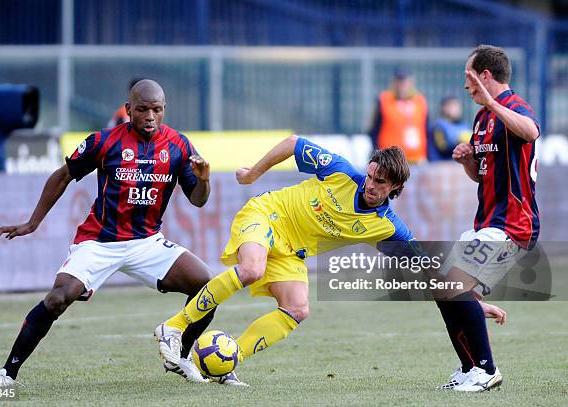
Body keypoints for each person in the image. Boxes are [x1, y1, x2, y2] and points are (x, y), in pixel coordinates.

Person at [155, 135, 506, 386]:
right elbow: (293, 143)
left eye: (379, 181)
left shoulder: (387, 227)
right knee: (250, 269)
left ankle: (230, 361)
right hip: (266, 214)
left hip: (291, 251)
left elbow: (425, 270)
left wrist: (472, 302)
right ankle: (174, 326)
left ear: (395, 188)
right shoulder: (340, 171)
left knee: (297, 309)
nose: (369, 183)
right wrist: (252, 175)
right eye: (369, 175)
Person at [0, 80, 217, 386]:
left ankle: (180, 356)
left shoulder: (179, 145)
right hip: (100, 241)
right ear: (129, 109)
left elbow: (198, 200)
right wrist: (33, 222)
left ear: (164, 110)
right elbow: (63, 175)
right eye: (143, 109)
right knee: (56, 300)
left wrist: (204, 180)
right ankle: (7, 374)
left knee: (208, 287)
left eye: (156, 110)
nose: (150, 116)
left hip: (147, 242)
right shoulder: (104, 142)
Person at [434, 44, 540, 392]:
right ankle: (469, 369)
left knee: (454, 284)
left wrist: (492, 102)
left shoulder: (512, 107)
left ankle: (486, 369)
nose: (465, 86)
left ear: (485, 76)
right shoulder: (482, 118)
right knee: (443, 286)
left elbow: (531, 132)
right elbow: (484, 175)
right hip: (488, 221)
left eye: (468, 76)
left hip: (513, 223)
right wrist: (468, 161)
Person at [369, 67, 429, 163]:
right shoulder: (384, 100)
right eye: (399, 82)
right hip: (391, 160)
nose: (402, 86)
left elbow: (426, 129)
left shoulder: (420, 101)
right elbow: (373, 129)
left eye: (405, 82)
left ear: (411, 83)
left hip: (417, 159)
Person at [427, 96, 471, 161]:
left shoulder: (464, 125)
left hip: (459, 166)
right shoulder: (438, 126)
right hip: (440, 166)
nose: (456, 109)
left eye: (457, 106)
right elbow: (442, 146)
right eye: (452, 106)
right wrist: (459, 140)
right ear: (444, 108)